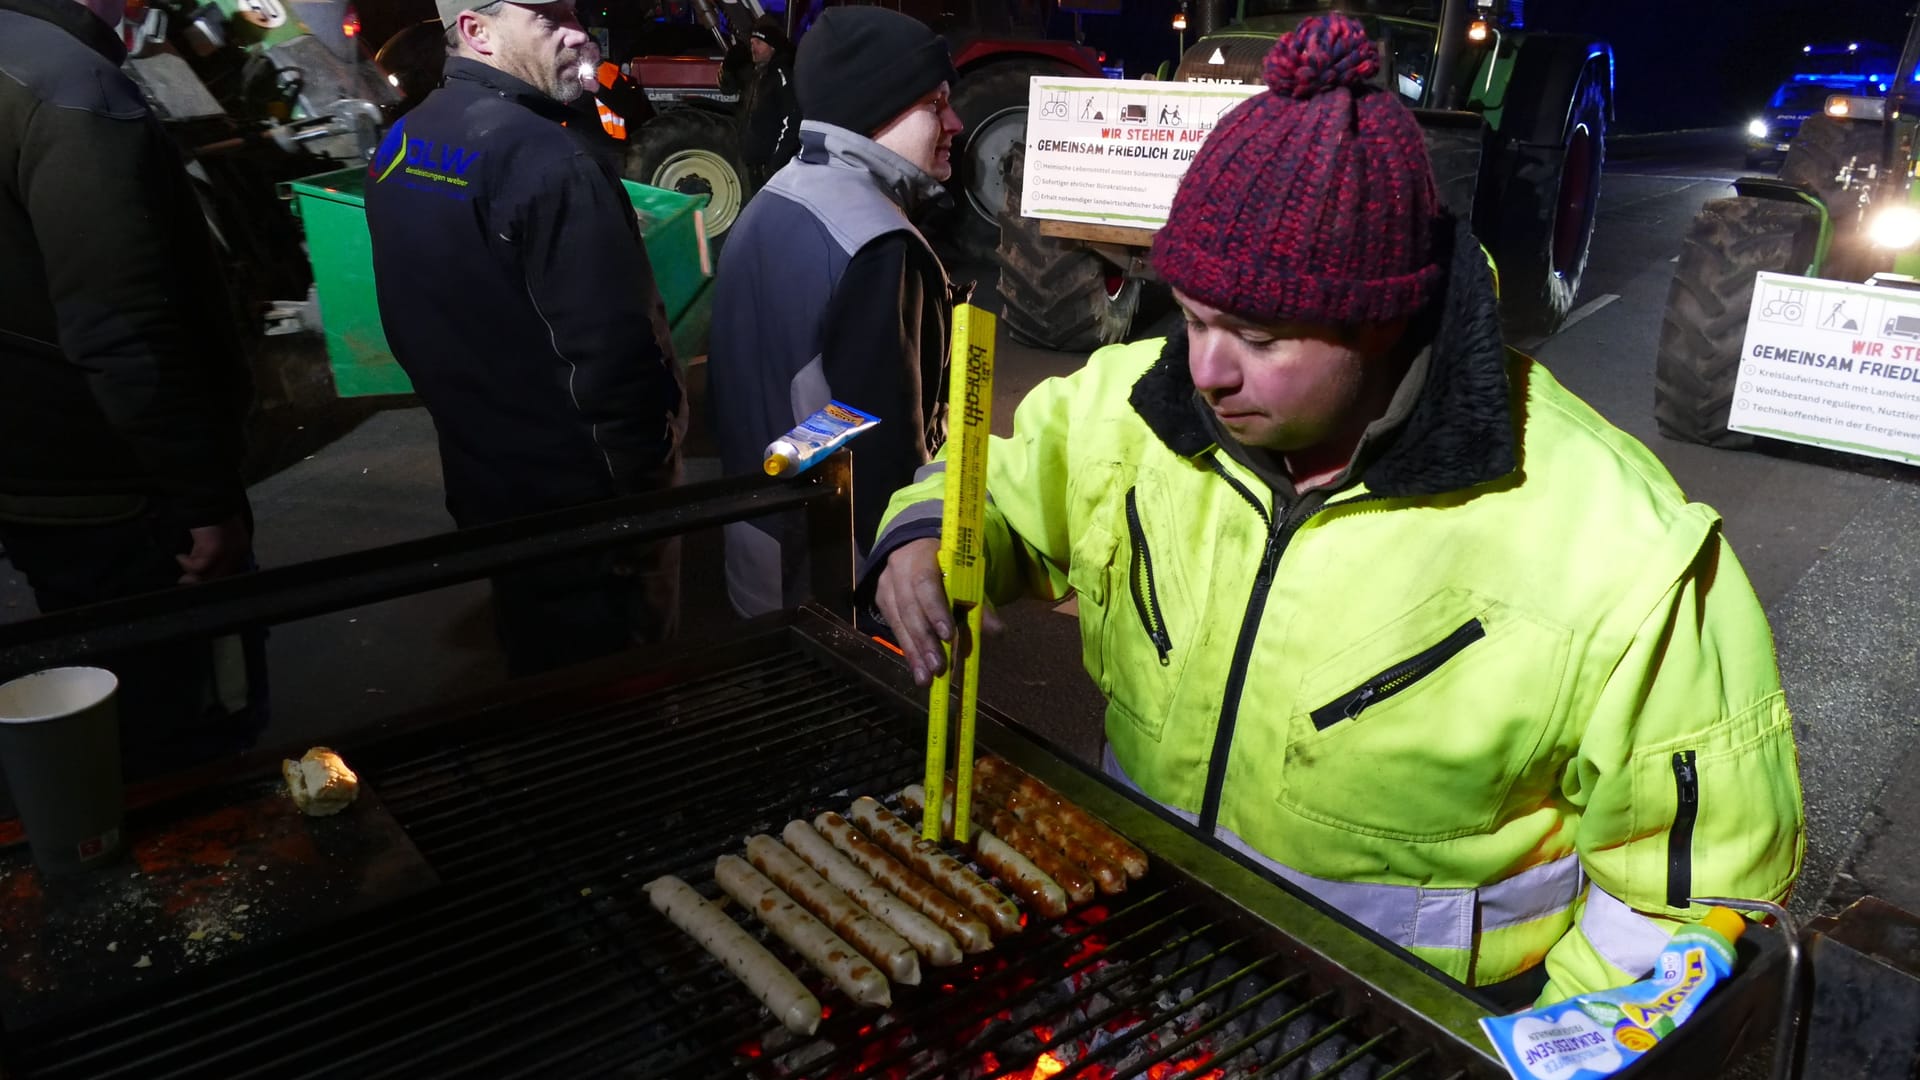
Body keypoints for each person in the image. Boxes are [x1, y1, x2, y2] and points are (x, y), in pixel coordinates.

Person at [867, 15, 1804, 1006]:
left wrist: (1533, 1054)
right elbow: (998, 486)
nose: (1205, 371)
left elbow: (1692, 902)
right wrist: (924, 539)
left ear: (1384, 319)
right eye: (1190, 316)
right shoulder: (1138, 403)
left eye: (1261, 337)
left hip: (1407, 1027)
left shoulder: (1618, 548)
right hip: (1140, 948)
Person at [364, 0, 687, 676]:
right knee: (616, 704)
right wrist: (640, 508)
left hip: (489, 489)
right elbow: (615, 359)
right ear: (477, 32)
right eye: (548, 19)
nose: (578, 33)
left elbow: (412, 325)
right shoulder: (550, 161)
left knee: (539, 680)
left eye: (573, 13)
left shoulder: (402, 143)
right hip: (585, 513)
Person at [0, 0, 264, 773]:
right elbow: (120, 329)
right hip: (119, 484)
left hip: (34, 469)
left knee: (99, 698)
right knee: (189, 718)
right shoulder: (68, 87)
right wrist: (204, 501)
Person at [707, 6, 965, 617]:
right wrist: (903, 578)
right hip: (839, 576)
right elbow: (883, 443)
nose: (955, 121)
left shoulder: (778, 194)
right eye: (936, 103)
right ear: (878, 105)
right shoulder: (877, 244)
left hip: (759, 541)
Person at [721, 15, 802, 188]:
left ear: (772, 47)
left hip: (771, 169)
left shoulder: (781, 75)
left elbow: (792, 121)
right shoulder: (759, 75)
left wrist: (776, 162)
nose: (753, 48)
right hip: (755, 165)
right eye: (751, 43)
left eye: (758, 43)